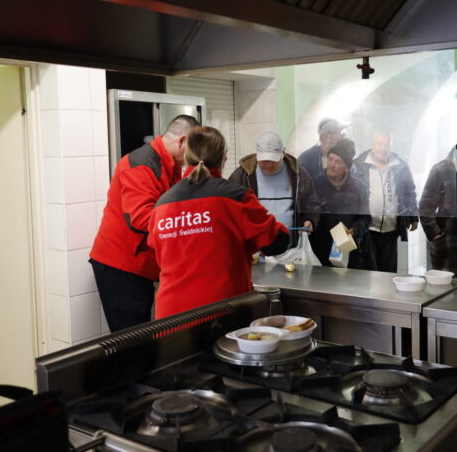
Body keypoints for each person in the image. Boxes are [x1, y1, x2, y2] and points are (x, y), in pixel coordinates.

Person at [148, 126, 290, 319]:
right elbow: (276, 242)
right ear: (223, 157)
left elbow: (159, 254)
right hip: (220, 313)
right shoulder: (236, 197)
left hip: (170, 317)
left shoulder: (162, 204)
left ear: (186, 157)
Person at [89, 115, 199, 332]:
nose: (194, 156)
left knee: (142, 339)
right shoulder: (141, 165)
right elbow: (140, 219)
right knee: (132, 343)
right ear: (182, 141)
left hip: (142, 266)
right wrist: (184, 225)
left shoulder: (170, 165)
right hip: (121, 266)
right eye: (194, 148)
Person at [229, 130, 318, 248]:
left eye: (274, 160)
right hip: (254, 252)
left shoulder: (298, 174)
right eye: (264, 160)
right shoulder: (242, 176)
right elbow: (228, 208)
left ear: (283, 153)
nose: (269, 165)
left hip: (291, 250)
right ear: (257, 155)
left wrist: (309, 220)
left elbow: (312, 204)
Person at [354, 132, 419, 272]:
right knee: (370, 271)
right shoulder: (359, 165)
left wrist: (414, 216)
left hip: (391, 229)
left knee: (388, 272)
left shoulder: (400, 166)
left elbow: (410, 191)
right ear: (372, 145)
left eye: (387, 145)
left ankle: (387, 294)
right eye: (379, 144)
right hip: (368, 228)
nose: (383, 148)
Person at [309, 138, 372, 269]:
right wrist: (308, 221)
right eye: (330, 159)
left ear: (347, 167)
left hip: (348, 249)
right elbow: (307, 212)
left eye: (338, 162)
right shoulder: (315, 184)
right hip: (320, 250)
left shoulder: (359, 188)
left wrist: (355, 229)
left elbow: (365, 218)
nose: (332, 165)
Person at [418, 135, 457, 276]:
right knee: (444, 292)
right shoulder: (442, 169)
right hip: (447, 244)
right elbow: (425, 206)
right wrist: (436, 235)